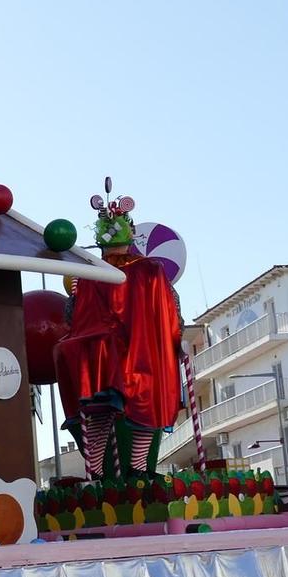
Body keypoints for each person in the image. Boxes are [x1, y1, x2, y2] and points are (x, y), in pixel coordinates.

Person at [53, 180, 184, 480]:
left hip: (98, 356)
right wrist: (174, 340)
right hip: (137, 356)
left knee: (101, 415)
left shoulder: (89, 274)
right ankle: (130, 469)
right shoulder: (148, 271)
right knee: (146, 408)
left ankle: (99, 472)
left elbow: (73, 318)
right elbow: (168, 313)